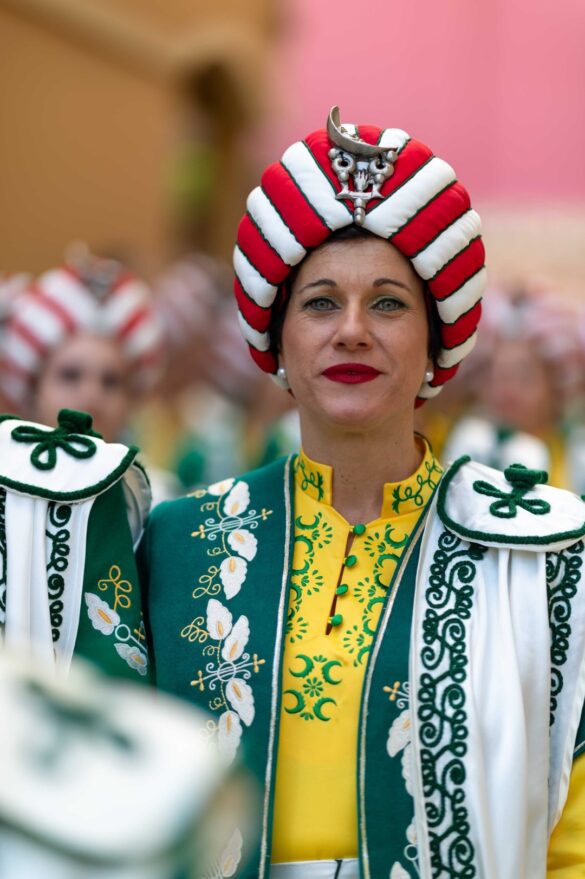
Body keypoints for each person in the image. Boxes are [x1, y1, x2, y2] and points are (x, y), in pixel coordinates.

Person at [140, 108, 585, 878]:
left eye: (386, 303)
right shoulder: (178, 542)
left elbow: (572, 823)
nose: (350, 330)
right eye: (319, 302)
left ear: (435, 341)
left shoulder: (536, 554)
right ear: (278, 340)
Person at [443, 286, 585, 494]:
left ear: (556, 386)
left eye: (524, 377)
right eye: (498, 376)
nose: (508, 390)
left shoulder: (576, 455)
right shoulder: (466, 445)